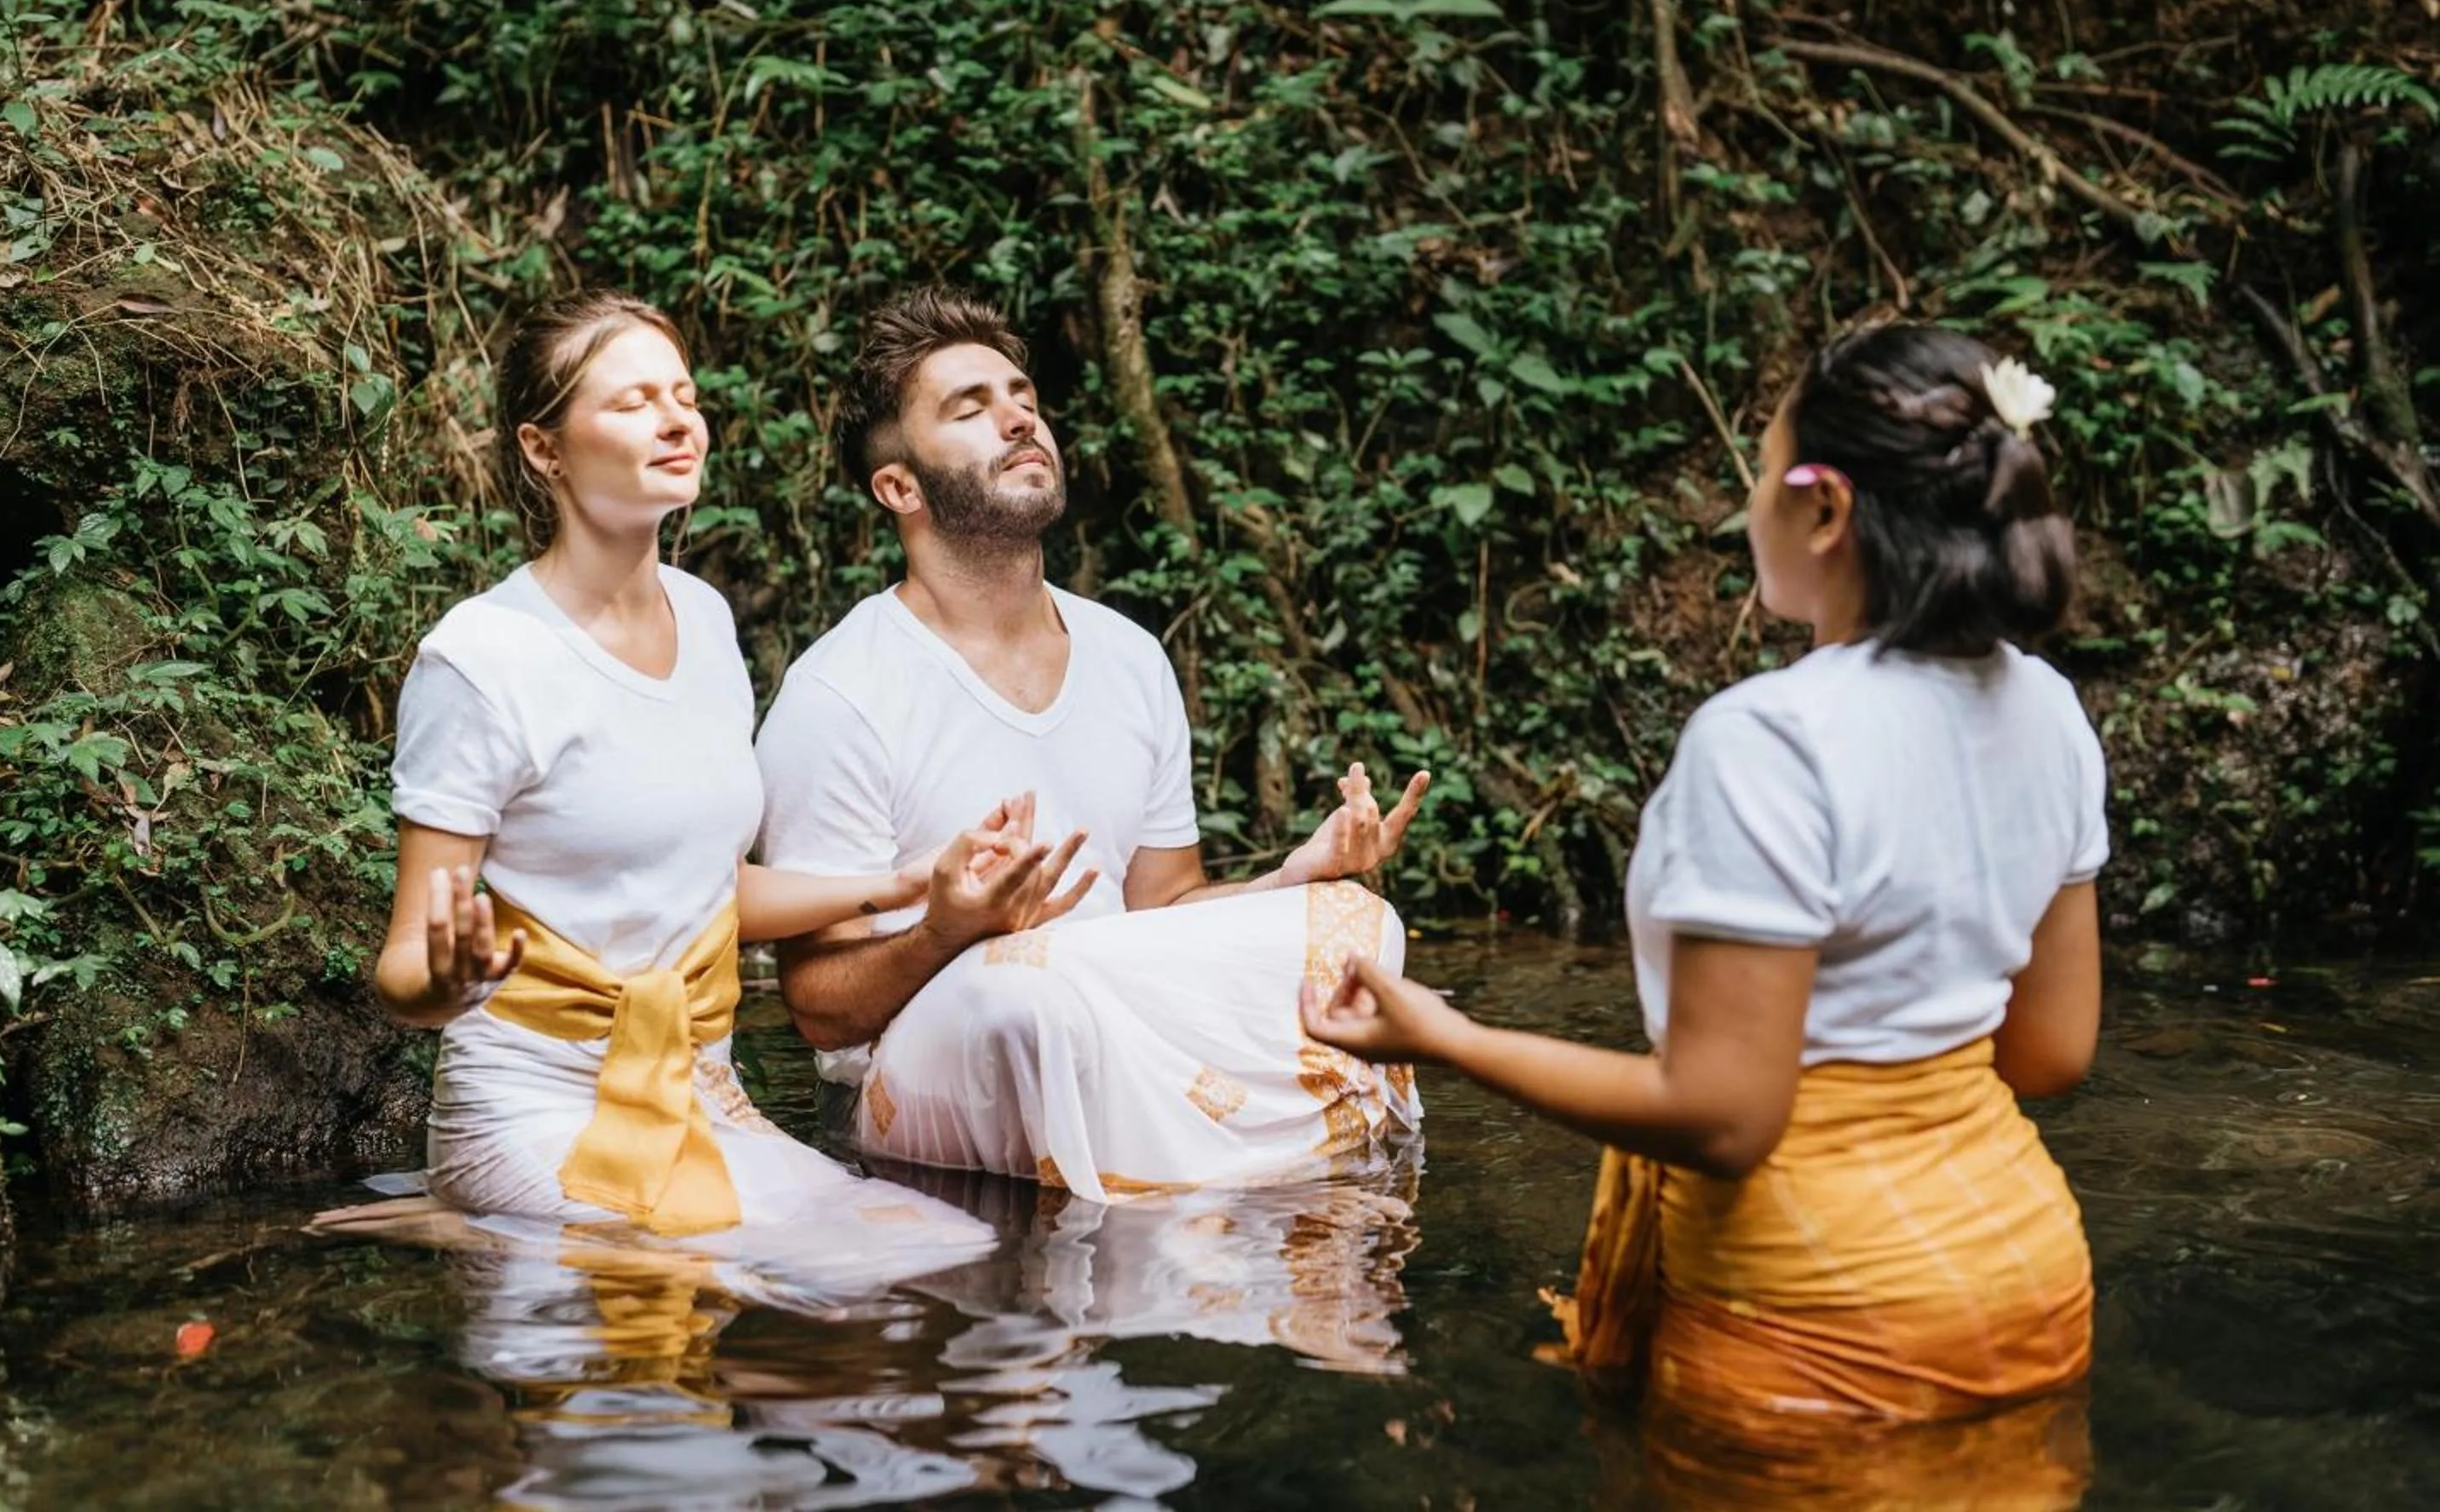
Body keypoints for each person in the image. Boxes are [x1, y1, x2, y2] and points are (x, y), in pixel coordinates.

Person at [1303, 325, 2106, 1488]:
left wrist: (1445, 1034)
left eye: (1756, 471)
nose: (1744, 505)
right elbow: (2049, 1053)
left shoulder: (1770, 739)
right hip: (2029, 1283)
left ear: (1824, 508)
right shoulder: (2048, 711)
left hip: (1816, 1323)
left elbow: (1728, 1117)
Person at [322, 289, 1006, 1289]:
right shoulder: (481, 657)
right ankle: (479, 1206)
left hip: (700, 1094)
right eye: (635, 400)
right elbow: (402, 975)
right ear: (545, 449)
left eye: (683, 395)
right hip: (535, 1105)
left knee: (943, 1252)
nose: (678, 418)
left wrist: (905, 885)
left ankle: (506, 1231)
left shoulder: (706, 618)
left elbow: (713, 889)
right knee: (803, 1282)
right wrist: (451, 978)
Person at [753, 285, 1430, 1202]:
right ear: (900, 487)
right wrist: (950, 931)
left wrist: (1291, 876)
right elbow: (819, 1010)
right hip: (922, 1064)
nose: (1019, 417)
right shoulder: (838, 694)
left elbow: (1162, 907)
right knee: (1023, 995)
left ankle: (1276, 1222)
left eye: (1022, 395)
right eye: (972, 407)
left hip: (1110, 1008)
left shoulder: (1129, 656)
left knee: (1359, 927)